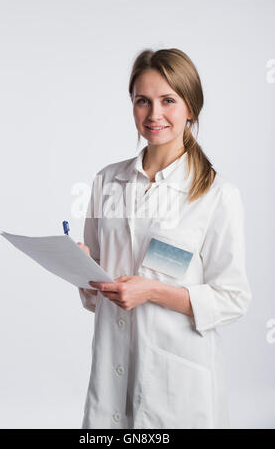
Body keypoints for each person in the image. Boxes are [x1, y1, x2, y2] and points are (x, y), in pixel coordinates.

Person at [76, 48, 252, 429]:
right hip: (111, 373)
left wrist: (152, 291)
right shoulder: (107, 181)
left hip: (178, 385)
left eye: (168, 100)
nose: (154, 114)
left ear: (191, 107)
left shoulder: (217, 195)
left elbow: (233, 298)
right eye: (143, 101)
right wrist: (81, 271)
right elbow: (96, 297)